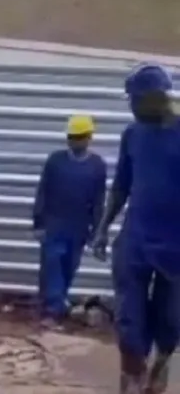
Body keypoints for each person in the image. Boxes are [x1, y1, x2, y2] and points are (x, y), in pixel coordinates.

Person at [89, 63, 180, 394]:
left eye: (135, 99)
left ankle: (161, 366)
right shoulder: (133, 134)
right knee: (130, 318)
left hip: (175, 245)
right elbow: (121, 186)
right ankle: (131, 377)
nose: (130, 105)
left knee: (170, 320)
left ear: (157, 98)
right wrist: (102, 228)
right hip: (135, 240)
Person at [32, 114, 107, 329]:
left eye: (79, 137)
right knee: (52, 265)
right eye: (71, 137)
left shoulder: (96, 166)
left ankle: (56, 305)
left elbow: (98, 200)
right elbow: (43, 192)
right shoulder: (55, 161)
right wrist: (38, 222)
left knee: (68, 268)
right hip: (54, 223)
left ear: (88, 138)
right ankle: (52, 311)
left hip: (78, 226)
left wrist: (97, 229)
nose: (74, 141)